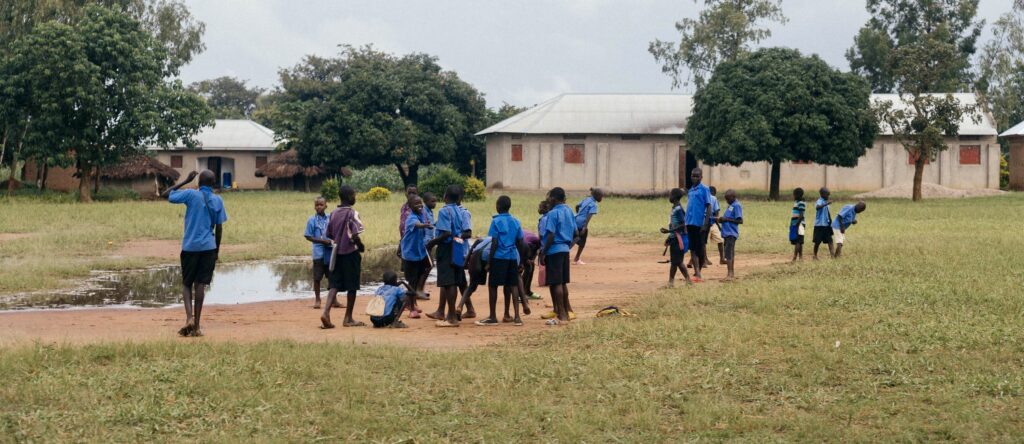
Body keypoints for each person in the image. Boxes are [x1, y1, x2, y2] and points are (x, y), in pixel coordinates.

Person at [163, 170, 228, 337]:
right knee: (201, 285)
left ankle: (189, 318)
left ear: (198, 182)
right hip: (208, 247)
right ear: (213, 184)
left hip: (190, 247)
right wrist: (216, 250)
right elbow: (219, 228)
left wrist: (185, 180)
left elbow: (166, 194)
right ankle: (197, 326)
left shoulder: (191, 195)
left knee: (187, 283)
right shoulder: (218, 200)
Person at [321, 185, 366, 329]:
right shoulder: (353, 213)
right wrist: (360, 246)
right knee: (352, 286)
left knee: (334, 284)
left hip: (336, 253)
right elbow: (355, 234)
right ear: (349, 197)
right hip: (350, 253)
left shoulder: (333, 213)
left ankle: (326, 312)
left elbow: (329, 234)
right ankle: (348, 318)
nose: (355, 197)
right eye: (354, 195)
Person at [477, 196, 525, 326]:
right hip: (512, 257)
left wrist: (489, 262)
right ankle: (517, 317)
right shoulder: (516, 221)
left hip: (499, 257)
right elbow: (520, 242)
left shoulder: (496, 221)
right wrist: (521, 261)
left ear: (498, 207)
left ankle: (492, 316)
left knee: (493, 285)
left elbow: (494, 242)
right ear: (509, 207)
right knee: (513, 285)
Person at [425, 185, 468, 327]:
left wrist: (432, 243)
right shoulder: (460, 210)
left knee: (448, 283)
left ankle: (452, 319)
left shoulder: (444, 211)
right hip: (458, 247)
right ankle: (450, 315)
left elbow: (446, 233)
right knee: (454, 281)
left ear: (446, 197)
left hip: (447, 247)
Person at [540, 187, 578, 324]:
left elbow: (550, 234)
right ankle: (566, 313)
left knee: (555, 282)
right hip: (564, 250)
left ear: (554, 199)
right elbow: (576, 233)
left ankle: (561, 314)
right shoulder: (569, 211)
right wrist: (567, 245)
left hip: (553, 250)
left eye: (550, 197)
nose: (548, 200)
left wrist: (543, 252)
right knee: (562, 282)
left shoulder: (553, 213)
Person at [400, 195, 433, 319]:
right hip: (410, 255)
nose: (419, 206)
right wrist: (425, 225)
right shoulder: (411, 218)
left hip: (419, 253)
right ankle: (411, 308)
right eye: (416, 204)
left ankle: (412, 303)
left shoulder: (421, 215)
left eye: (420, 203)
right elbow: (418, 225)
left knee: (417, 278)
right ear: (410, 206)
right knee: (412, 282)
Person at [304, 197, 339, 309]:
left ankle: (334, 300)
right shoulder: (312, 220)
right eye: (317, 205)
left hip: (329, 252)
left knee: (332, 277)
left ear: (326, 206)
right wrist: (322, 241)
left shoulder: (330, 218)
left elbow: (335, 230)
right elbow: (308, 236)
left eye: (321, 205)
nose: (319, 207)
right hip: (318, 253)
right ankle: (318, 299)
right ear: (315, 207)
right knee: (317, 278)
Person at [685, 168, 713, 282]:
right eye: (693, 175)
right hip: (690, 223)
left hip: (699, 224)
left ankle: (699, 271)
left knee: (700, 250)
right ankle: (697, 273)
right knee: (692, 249)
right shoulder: (691, 190)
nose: (694, 178)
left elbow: (709, 206)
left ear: (701, 177)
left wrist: (705, 224)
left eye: (697, 176)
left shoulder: (705, 189)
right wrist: (685, 223)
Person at [660, 188, 691, 287]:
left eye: (670, 195)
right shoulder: (675, 207)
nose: (669, 197)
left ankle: (687, 281)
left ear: (675, 197)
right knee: (674, 262)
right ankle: (671, 283)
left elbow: (683, 224)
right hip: (674, 238)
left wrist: (669, 231)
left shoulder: (678, 209)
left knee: (677, 262)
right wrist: (670, 236)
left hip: (679, 239)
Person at [718, 190, 743, 281]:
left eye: (728, 199)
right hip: (727, 233)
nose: (727, 201)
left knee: (729, 254)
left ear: (733, 197)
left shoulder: (736, 206)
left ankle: (729, 274)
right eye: (726, 199)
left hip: (731, 233)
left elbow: (740, 221)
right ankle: (731, 274)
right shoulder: (731, 206)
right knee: (730, 253)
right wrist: (721, 220)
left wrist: (726, 219)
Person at [573, 188, 603, 265]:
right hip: (581, 223)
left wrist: (578, 214)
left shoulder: (587, 199)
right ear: (596, 196)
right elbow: (589, 216)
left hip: (575, 220)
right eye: (601, 196)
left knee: (573, 238)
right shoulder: (593, 204)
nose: (601, 198)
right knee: (582, 242)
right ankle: (577, 259)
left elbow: (577, 206)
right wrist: (584, 227)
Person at [812, 187, 835, 260]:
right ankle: (815, 255)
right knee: (817, 242)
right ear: (821, 194)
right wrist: (825, 204)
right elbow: (817, 207)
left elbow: (827, 214)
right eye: (827, 195)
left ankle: (832, 256)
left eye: (829, 195)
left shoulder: (825, 202)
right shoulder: (820, 201)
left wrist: (830, 222)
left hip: (826, 225)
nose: (828, 196)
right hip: (819, 225)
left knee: (830, 240)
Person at [706, 186, 724, 265]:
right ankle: (722, 258)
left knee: (703, 243)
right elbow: (716, 214)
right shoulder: (714, 198)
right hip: (712, 223)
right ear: (714, 193)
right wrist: (719, 226)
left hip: (704, 223)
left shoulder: (703, 198)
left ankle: (705, 259)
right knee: (720, 240)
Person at [521, 230, 542, 300]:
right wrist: (526, 259)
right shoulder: (535, 241)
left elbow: (536, 252)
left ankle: (527, 291)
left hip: (524, 245)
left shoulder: (537, 241)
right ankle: (521, 293)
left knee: (531, 266)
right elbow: (522, 249)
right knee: (527, 268)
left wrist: (532, 259)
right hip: (518, 247)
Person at [790, 188, 807, 262]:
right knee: (799, 241)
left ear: (797, 195)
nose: (793, 196)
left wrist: (797, 224)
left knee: (798, 241)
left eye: (794, 194)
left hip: (799, 224)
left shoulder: (801, 203)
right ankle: (800, 257)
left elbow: (801, 215)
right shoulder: (797, 202)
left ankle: (794, 258)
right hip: (795, 224)